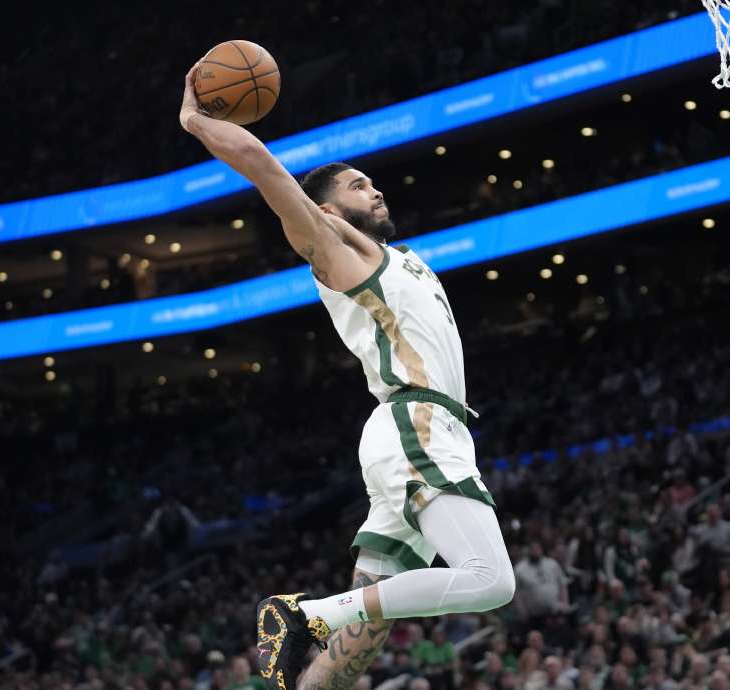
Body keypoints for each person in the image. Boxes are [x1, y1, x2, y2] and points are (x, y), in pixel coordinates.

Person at [177, 61, 514, 690]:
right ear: (328, 211)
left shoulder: (401, 258)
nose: (376, 191)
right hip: (416, 423)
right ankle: (307, 613)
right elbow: (262, 166)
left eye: (373, 183)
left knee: (364, 636)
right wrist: (196, 120)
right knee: (490, 581)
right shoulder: (335, 251)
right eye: (359, 186)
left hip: (420, 431)